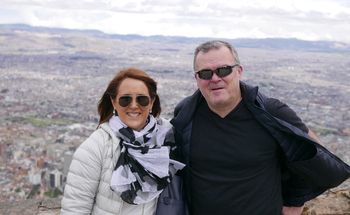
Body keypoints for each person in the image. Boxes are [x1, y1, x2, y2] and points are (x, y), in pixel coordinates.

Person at [171, 40, 350, 215]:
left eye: (224, 70)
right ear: (197, 78)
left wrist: (295, 200)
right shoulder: (186, 113)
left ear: (239, 71)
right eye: (205, 73)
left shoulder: (271, 112)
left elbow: (312, 156)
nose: (215, 78)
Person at [61, 67, 184, 215]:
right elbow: (75, 209)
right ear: (114, 102)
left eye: (142, 99)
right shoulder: (97, 146)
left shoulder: (166, 139)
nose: (133, 105)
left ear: (151, 102)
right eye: (125, 99)